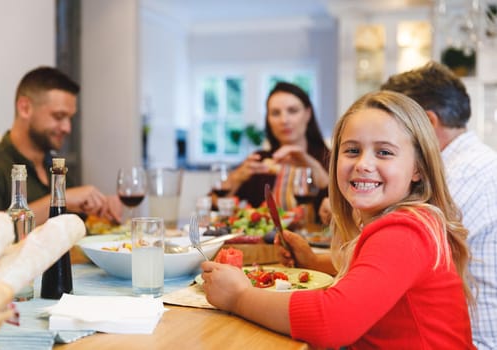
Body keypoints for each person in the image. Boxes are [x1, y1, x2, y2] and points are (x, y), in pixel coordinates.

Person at [200, 90, 475, 349]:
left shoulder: (404, 232)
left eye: (384, 152)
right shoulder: (410, 221)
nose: (363, 164)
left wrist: (239, 297)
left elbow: (333, 321)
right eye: (352, 150)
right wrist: (313, 262)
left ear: (418, 168)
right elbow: (372, 273)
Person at [381, 61, 497, 350]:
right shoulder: (478, 161)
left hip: (475, 341)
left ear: (429, 123)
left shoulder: (457, 176)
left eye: (392, 126)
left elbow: (393, 258)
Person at [0, 66, 122, 225]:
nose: (67, 128)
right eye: (59, 116)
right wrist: (61, 198)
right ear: (25, 108)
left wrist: (102, 208)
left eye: (70, 118)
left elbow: (78, 223)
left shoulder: (55, 166)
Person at [225, 81, 330, 219]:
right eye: (275, 113)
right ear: (268, 119)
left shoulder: (331, 158)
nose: (284, 120)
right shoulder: (259, 162)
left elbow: (346, 210)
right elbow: (214, 204)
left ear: (308, 114)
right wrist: (236, 178)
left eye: (292, 111)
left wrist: (313, 166)